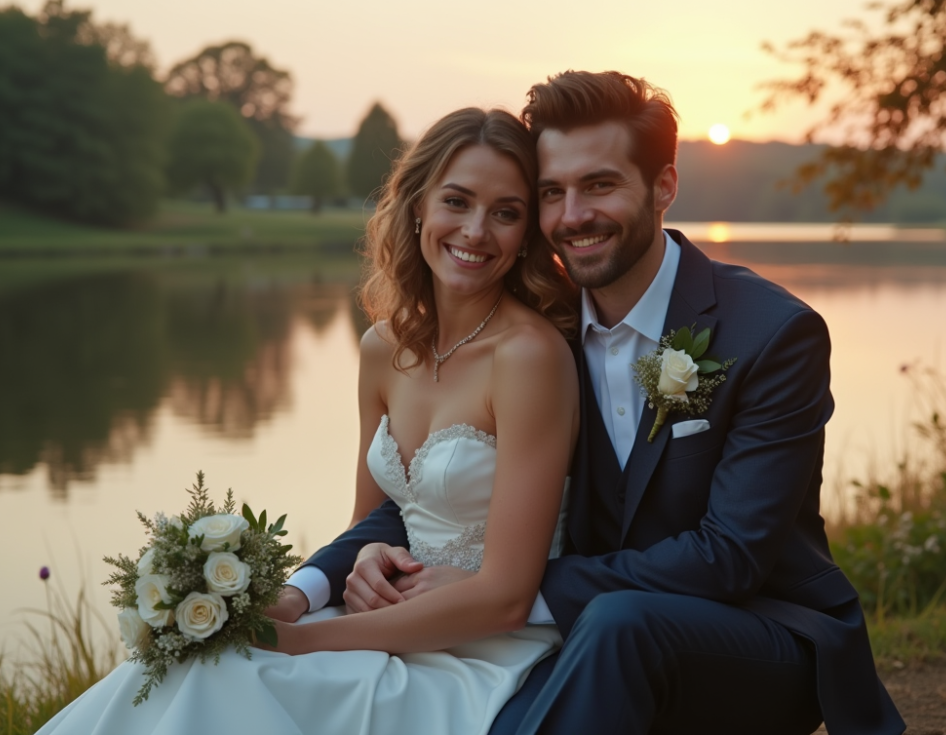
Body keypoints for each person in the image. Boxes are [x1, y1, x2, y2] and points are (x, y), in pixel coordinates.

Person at [290, 71, 906, 735]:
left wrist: (518, 591)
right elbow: (434, 498)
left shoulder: (771, 334)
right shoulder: (535, 336)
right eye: (552, 192)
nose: (573, 215)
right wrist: (319, 580)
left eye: (600, 185)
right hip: (573, 637)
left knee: (620, 622)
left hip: (759, 637)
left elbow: (730, 555)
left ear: (664, 186)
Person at [35, 107, 581, 735]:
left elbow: (508, 596)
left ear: (526, 233)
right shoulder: (383, 348)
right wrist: (322, 583)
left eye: (506, 213)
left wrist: (306, 642)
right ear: (418, 207)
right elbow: (374, 520)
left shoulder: (530, 358)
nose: (477, 230)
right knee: (197, 659)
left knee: (244, 673)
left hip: (481, 646)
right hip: (380, 618)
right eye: (456, 201)